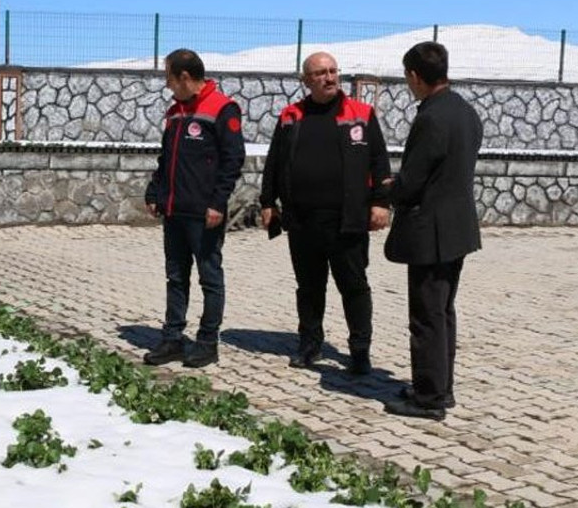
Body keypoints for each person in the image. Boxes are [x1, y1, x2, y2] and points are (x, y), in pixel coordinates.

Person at [259, 52, 391, 374]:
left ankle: (360, 350)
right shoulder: (291, 116)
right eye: (320, 73)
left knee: (354, 288)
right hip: (303, 221)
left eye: (333, 71)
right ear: (307, 80)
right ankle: (309, 345)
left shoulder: (361, 114)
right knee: (309, 288)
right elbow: (274, 162)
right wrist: (267, 202)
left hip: (348, 221)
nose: (329, 77)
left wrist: (381, 203)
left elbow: (379, 161)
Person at [382, 41, 483, 420]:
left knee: (426, 316)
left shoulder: (431, 117)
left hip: (430, 231)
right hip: (456, 229)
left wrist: (390, 190)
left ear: (413, 76)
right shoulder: (464, 111)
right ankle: (441, 387)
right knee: (442, 312)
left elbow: (414, 179)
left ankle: (428, 398)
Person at [142, 48, 246, 368]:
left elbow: (233, 160)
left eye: (169, 78)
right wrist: (155, 192)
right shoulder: (175, 112)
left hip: (204, 214)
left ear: (185, 77)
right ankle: (172, 337)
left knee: (209, 277)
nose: (168, 85)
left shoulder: (223, 108)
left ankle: (206, 342)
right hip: (174, 210)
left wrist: (218, 202)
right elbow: (166, 159)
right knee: (176, 276)